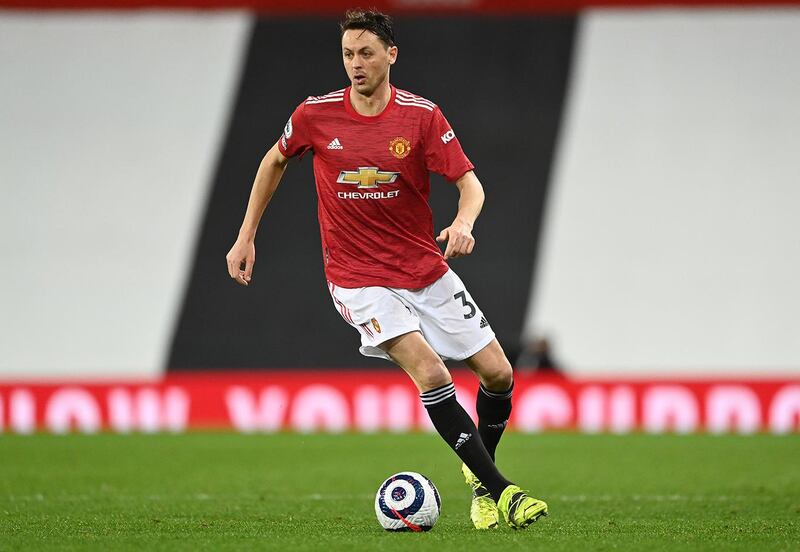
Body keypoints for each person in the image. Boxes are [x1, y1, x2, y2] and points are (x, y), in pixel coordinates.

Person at [225, 9, 547, 530]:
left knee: (500, 374)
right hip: (356, 278)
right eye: (348, 54)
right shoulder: (314, 115)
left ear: (391, 55)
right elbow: (274, 160)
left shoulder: (421, 117)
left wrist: (464, 222)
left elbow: (470, 184)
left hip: (422, 265)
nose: (356, 64)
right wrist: (245, 236)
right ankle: (502, 492)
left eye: (366, 53)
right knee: (432, 371)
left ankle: (477, 470)